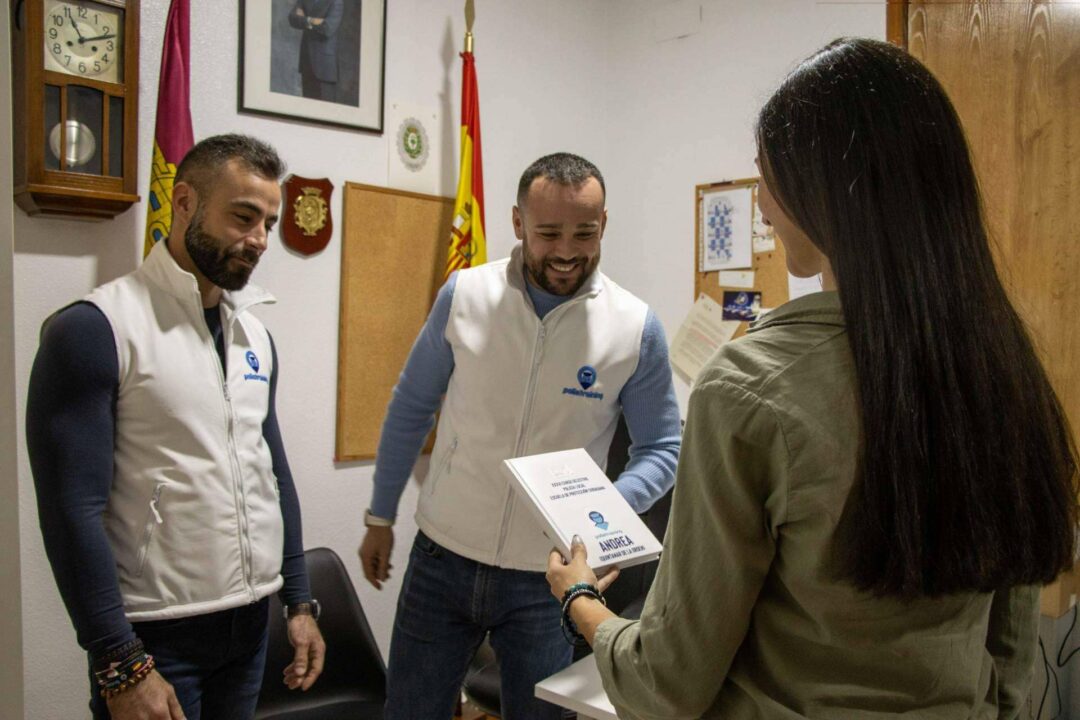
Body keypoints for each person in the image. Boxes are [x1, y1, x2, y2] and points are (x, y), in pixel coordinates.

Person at [547, 38, 1079, 720]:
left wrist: (580, 600)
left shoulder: (745, 387)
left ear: (825, 190)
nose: (762, 205)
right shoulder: (1000, 367)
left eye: (770, 176)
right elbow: (1011, 654)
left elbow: (667, 683)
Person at [359, 152, 682, 719]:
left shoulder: (635, 327)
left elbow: (662, 449)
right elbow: (411, 407)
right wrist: (380, 516)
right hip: (443, 556)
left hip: (547, 577)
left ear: (604, 223)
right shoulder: (464, 297)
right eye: (547, 232)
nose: (565, 251)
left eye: (583, 232)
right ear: (516, 224)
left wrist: (599, 515)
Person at [26, 134, 326, 720]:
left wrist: (297, 598)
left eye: (268, 221)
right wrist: (119, 661)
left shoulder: (254, 333)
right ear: (184, 202)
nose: (260, 239)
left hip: (249, 627)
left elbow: (271, 472)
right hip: (155, 639)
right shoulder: (96, 329)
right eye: (243, 217)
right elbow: (70, 509)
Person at [288, 0, 344, 102]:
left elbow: (328, 29)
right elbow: (292, 18)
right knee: (307, 110)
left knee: (325, 112)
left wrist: (304, 19)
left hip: (325, 68)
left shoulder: (336, 1)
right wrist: (312, 20)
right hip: (306, 63)